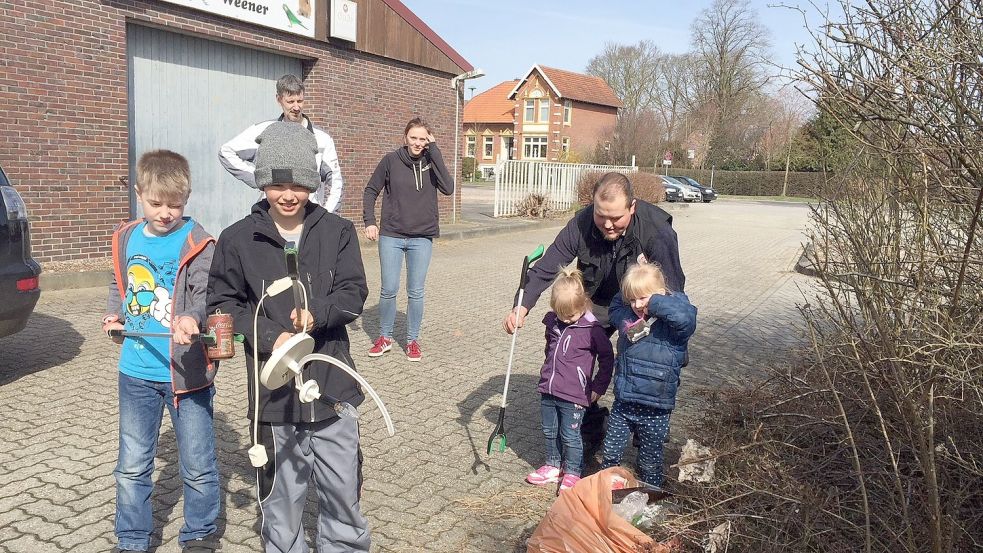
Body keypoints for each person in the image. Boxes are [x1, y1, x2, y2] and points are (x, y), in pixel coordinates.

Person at [208, 122, 370, 551]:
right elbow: (222, 304)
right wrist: (268, 336)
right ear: (261, 182)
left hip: (331, 386)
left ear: (312, 183)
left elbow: (355, 292)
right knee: (280, 503)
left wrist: (318, 315)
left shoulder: (338, 231)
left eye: (298, 184)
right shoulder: (237, 239)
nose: (287, 194)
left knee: (342, 495)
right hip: (273, 397)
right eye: (276, 183)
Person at [502, 171, 686, 457]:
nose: (608, 225)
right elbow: (548, 265)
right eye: (602, 216)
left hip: (640, 304)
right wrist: (522, 305)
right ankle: (587, 424)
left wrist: (662, 328)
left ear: (632, 207)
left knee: (647, 358)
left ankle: (647, 427)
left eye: (616, 217)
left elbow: (674, 287)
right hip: (595, 302)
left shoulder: (657, 230)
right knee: (573, 352)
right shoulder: (581, 222)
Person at [101, 150, 220, 553]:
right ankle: (132, 539)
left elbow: (205, 293)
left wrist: (190, 318)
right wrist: (113, 314)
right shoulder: (126, 236)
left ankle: (200, 534)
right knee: (132, 465)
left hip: (185, 374)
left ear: (186, 199)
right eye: (156, 203)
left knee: (198, 464)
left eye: (175, 204)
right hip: (135, 371)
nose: (166, 212)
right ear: (139, 195)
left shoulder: (198, 241)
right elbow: (120, 284)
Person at [361, 117, 453, 361]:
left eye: (423, 139)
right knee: (389, 289)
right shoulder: (390, 161)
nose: (418, 143)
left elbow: (448, 187)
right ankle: (384, 337)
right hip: (391, 235)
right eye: (414, 138)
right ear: (405, 138)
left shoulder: (431, 161)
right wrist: (370, 221)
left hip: (421, 237)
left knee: (416, 292)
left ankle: (412, 341)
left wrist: (435, 151)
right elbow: (371, 190)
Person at [600, 263, 697, 486]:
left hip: (656, 406)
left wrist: (655, 303)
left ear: (661, 295)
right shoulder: (629, 318)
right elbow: (615, 306)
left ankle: (652, 491)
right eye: (632, 299)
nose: (637, 305)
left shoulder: (674, 323)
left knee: (650, 457)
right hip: (625, 401)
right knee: (611, 451)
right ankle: (605, 487)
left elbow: (686, 318)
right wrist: (635, 298)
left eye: (643, 298)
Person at [525, 267, 615, 494]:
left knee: (570, 434)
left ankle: (573, 470)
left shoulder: (592, 330)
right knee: (549, 430)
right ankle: (553, 464)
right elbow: (550, 350)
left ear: (583, 305)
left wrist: (598, 386)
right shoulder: (553, 324)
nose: (566, 320)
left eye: (571, 315)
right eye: (561, 314)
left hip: (575, 394)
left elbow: (607, 359)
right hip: (550, 388)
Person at [219, 74, 345, 212]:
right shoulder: (263, 131)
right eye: (290, 102)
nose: (296, 107)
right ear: (279, 99)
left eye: (300, 101)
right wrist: (260, 178)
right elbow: (226, 152)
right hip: (271, 213)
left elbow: (335, 180)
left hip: (307, 214)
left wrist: (327, 216)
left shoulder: (322, 138)